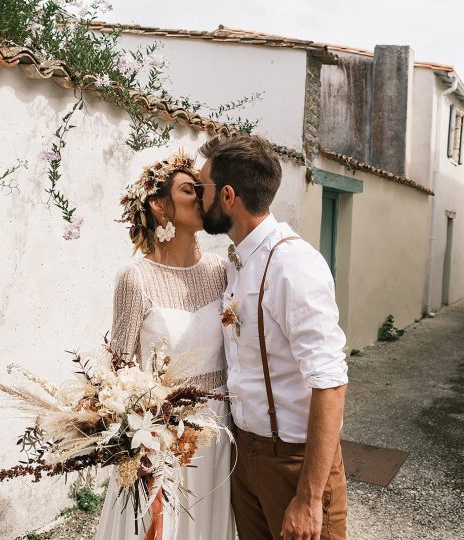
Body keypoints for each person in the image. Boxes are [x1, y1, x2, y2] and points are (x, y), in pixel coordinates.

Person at [197, 135, 349, 540]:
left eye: (202, 190)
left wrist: (310, 496)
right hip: (243, 454)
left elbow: (330, 382)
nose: (198, 199)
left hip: (293, 460)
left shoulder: (292, 265)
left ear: (227, 196)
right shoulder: (236, 262)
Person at [95, 151, 235, 540]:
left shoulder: (223, 270)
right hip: (161, 439)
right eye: (190, 190)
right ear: (160, 206)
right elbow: (117, 373)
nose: (202, 197)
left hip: (220, 433)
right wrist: (133, 445)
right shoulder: (135, 279)